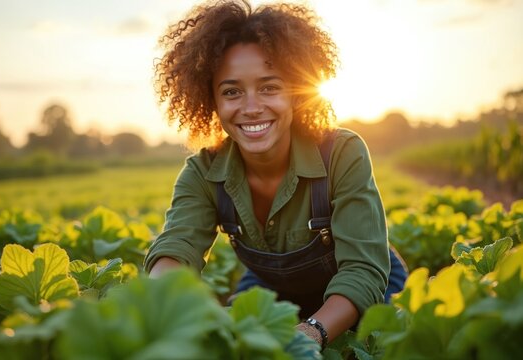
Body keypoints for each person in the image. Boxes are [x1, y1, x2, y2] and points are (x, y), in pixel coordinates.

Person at [144, 0, 407, 348]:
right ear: (212, 102)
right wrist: (196, 313)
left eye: (269, 87)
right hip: (271, 289)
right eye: (232, 91)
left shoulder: (342, 153)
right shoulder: (202, 172)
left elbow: (362, 272)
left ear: (296, 93)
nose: (251, 107)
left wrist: (311, 332)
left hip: (363, 292)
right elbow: (174, 250)